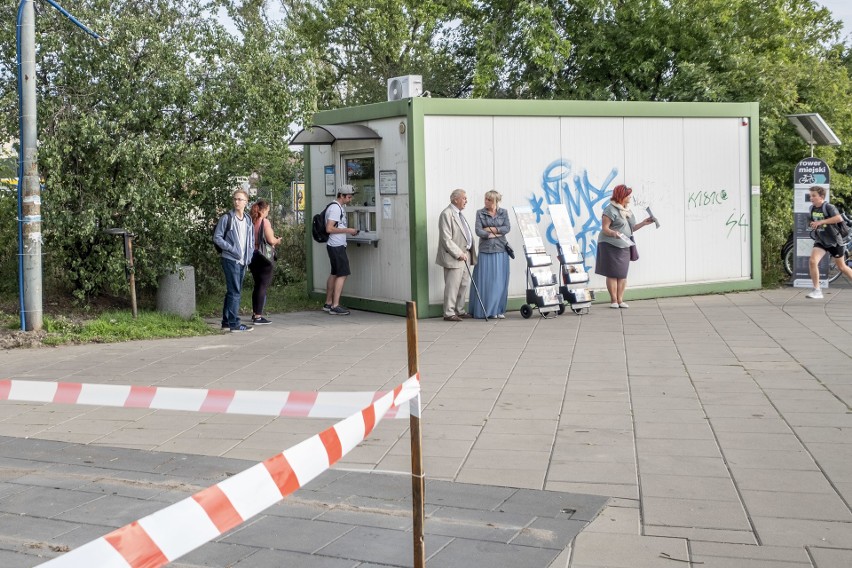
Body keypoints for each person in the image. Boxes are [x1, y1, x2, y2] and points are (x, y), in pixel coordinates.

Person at [595, 184, 655, 309]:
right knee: (612, 273)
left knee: (622, 274)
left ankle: (620, 300)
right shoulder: (610, 210)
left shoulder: (627, 210)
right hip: (610, 244)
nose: (630, 197)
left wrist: (644, 223)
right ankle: (614, 301)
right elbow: (605, 228)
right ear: (621, 196)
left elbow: (632, 228)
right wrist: (613, 233)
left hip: (625, 245)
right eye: (628, 195)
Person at [213, 188, 255, 332]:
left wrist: (249, 256)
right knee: (235, 291)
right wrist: (231, 248)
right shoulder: (227, 218)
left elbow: (251, 239)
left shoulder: (248, 219)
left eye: (240, 199)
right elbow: (217, 237)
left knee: (232, 291)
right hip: (230, 259)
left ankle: (226, 322)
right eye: (235, 199)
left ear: (246, 202)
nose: (237, 202)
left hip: (243, 261)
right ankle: (234, 324)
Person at [436, 189, 477, 321]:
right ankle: (448, 313)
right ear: (455, 199)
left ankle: (459, 310)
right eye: (464, 198)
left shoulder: (459, 214)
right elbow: (446, 239)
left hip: (466, 255)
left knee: (463, 285)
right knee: (452, 286)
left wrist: (467, 252)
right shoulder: (447, 214)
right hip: (455, 256)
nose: (466, 201)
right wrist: (459, 253)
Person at [805, 185, 852, 299]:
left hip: (834, 241)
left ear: (821, 197)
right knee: (812, 261)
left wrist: (821, 222)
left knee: (842, 267)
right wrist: (812, 224)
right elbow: (811, 222)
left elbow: (838, 219)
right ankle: (817, 290)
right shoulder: (811, 209)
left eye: (814, 196)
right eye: (810, 196)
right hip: (821, 240)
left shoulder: (829, 207)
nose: (811, 198)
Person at [471, 190, 511, 319]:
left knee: (499, 282)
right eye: (485, 199)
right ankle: (486, 310)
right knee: (486, 282)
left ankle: (498, 309)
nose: (486, 201)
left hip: (501, 250)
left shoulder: (503, 212)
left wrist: (491, 230)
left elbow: (507, 228)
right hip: (485, 251)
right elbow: (478, 231)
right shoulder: (480, 213)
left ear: (495, 201)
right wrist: (492, 234)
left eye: (489, 200)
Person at [323, 184, 359, 315]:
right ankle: (335, 305)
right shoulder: (335, 209)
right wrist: (348, 230)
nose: (350, 199)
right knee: (342, 274)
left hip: (334, 245)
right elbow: (329, 228)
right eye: (348, 197)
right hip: (336, 246)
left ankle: (328, 303)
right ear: (342, 196)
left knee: (335, 273)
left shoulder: (337, 207)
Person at [248, 199, 281, 325]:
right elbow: (271, 240)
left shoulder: (251, 221)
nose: (268, 213)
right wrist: (278, 240)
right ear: (263, 210)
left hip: (252, 254)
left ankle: (254, 312)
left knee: (257, 285)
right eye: (267, 211)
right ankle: (258, 316)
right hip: (263, 257)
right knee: (263, 285)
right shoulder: (264, 222)